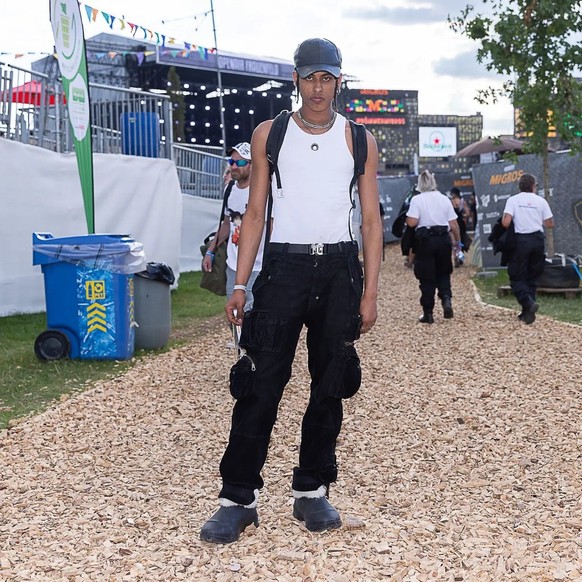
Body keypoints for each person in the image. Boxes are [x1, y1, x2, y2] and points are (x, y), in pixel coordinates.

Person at [200, 37, 382, 544]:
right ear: (296, 80)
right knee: (261, 384)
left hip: (340, 269)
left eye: (328, 78)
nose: (319, 88)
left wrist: (370, 292)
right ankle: (237, 498)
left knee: (330, 385)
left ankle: (312, 490)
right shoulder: (270, 134)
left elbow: (370, 220)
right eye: (310, 78)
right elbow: (255, 211)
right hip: (283, 268)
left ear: (339, 81)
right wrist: (240, 283)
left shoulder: (360, 139)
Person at [202, 142, 264, 311]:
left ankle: (250, 339)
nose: (235, 166)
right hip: (233, 266)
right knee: (234, 312)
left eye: (241, 162)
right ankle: (239, 339)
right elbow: (226, 224)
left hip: (257, 266)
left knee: (252, 314)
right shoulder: (230, 189)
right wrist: (210, 251)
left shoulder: (262, 191)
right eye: (232, 162)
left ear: (252, 165)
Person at [405, 170, 460, 323]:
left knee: (426, 276)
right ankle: (446, 299)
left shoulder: (417, 200)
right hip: (443, 239)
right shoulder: (444, 199)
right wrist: (458, 243)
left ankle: (428, 313)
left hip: (425, 241)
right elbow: (453, 224)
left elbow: (412, 222)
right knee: (443, 271)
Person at [501, 173, 554, 324]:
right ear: (533, 186)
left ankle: (528, 303)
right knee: (532, 276)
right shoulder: (541, 201)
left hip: (521, 241)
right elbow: (550, 224)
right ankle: (527, 313)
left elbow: (506, 222)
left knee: (517, 276)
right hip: (537, 240)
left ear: (520, 186)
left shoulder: (513, 200)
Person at [450, 187, 470, 253]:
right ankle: (461, 255)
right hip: (461, 223)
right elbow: (467, 213)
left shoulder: (451, 202)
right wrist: (463, 216)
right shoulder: (462, 202)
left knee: (454, 241)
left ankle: (457, 256)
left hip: (453, 222)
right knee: (461, 239)